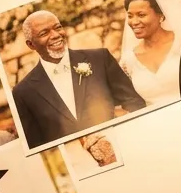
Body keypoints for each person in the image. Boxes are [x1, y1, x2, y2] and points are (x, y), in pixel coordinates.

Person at [11, 10, 147, 149]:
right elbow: (35, 146)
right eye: (44, 33)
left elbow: (134, 102)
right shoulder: (22, 92)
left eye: (58, 27)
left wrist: (131, 134)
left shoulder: (100, 59)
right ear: (31, 44)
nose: (56, 35)